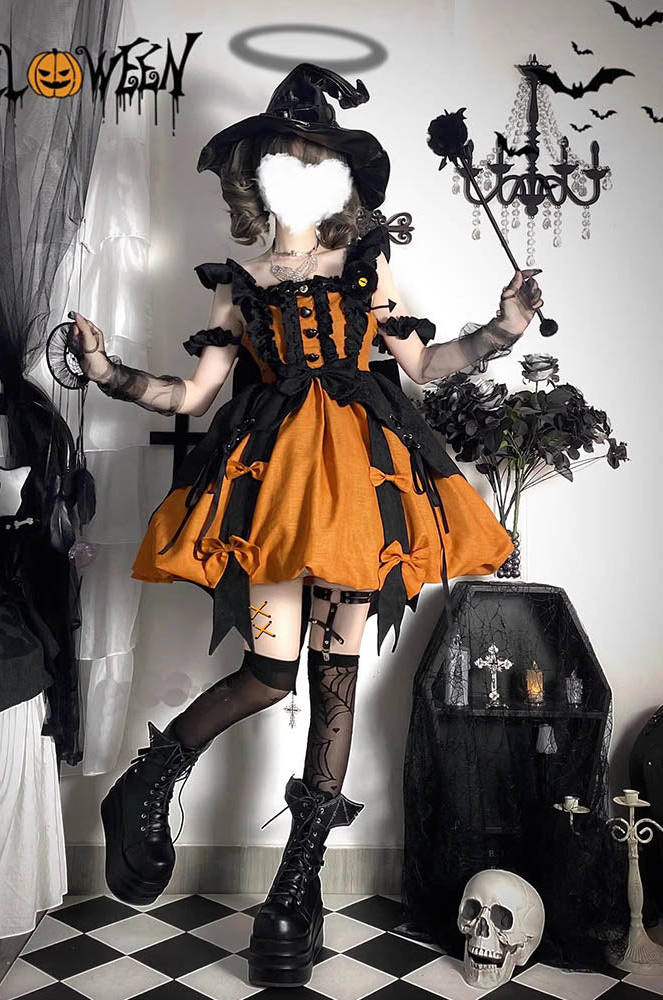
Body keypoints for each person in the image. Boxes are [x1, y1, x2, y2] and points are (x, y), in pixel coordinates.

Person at [68, 63, 542, 989]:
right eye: (290, 155)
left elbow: (425, 367)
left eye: (321, 158)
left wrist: (501, 329)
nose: (306, 169)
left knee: (336, 682)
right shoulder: (240, 281)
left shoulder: (367, 265)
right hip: (279, 495)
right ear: (260, 174)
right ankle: (151, 777)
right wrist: (106, 372)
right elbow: (194, 393)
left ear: (341, 178)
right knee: (268, 671)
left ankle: (294, 890)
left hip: (362, 493)